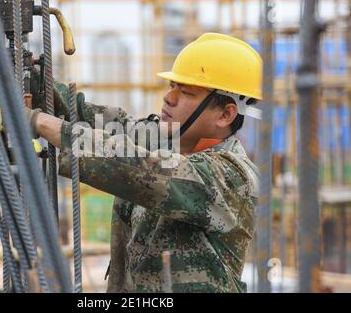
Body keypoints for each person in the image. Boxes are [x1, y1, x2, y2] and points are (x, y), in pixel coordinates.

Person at [26, 32, 262, 293]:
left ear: (225, 114)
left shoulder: (233, 177)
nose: (169, 98)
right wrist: (34, 81)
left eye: (186, 92)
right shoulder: (162, 139)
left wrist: (38, 121)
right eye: (171, 86)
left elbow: (142, 168)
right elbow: (94, 120)